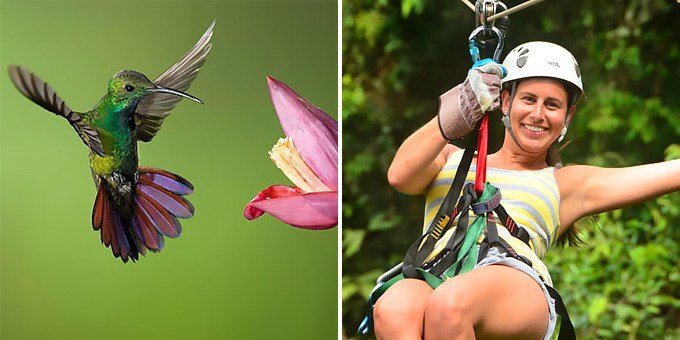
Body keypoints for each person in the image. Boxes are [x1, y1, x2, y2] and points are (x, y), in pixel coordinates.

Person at [373, 41, 680, 339]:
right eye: (529, 99)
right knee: (393, 307)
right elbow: (400, 176)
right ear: (505, 102)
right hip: (436, 271)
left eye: (552, 105)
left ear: (567, 117)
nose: (538, 114)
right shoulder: (448, 158)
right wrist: (462, 105)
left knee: (451, 304)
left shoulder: (568, 184)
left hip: (512, 280)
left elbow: (670, 173)